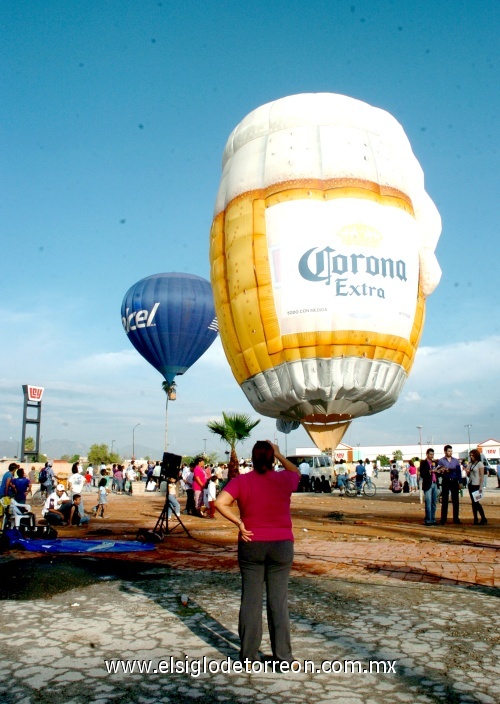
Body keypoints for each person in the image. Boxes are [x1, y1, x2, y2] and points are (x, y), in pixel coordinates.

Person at [215, 440, 301, 666]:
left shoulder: (241, 481)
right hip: (281, 545)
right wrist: (281, 454)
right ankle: (283, 657)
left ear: (252, 459)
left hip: (251, 543)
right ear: (272, 460)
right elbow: (296, 472)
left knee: (251, 600)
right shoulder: (284, 479)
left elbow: (220, 503)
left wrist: (239, 523)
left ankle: (249, 656)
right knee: (278, 602)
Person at [437, 444, 462, 525]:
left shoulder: (456, 461)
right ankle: (443, 519)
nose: (450, 452)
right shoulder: (441, 461)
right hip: (446, 481)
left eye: (451, 451)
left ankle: (456, 519)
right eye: (448, 451)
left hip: (454, 481)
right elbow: (439, 471)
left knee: (455, 500)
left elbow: (459, 472)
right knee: (445, 500)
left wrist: (460, 482)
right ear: (445, 451)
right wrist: (443, 471)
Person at [467, 449, 487, 525]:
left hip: (476, 485)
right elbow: (469, 475)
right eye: (470, 455)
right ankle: (475, 518)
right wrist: (467, 472)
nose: (471, 457)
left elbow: (482, 476)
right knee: (473, 502)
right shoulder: (471, 464)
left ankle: (483, 518)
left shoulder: (480, 464)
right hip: (471, 484)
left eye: (472, 455)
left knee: (476, 502)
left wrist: (481, 487)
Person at [419, 448, 438, 525]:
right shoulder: (423, 463)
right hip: (428, 484)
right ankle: (428, 519)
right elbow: (422, 474)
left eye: (432, 454)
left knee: (434, 502)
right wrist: (429, 471)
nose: (432, 456)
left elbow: (438, 473)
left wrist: (439, 471)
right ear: (427, 454)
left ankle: (433, 518)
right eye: (430, 454)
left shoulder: (435, 463)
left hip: (434, 483)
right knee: (428, 502)